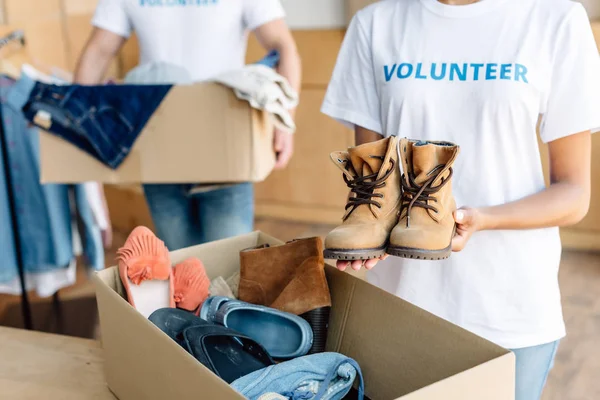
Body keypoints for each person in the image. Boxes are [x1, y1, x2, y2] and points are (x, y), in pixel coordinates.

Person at [321, 0, 600, 399]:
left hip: (510, 306)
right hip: (402, 302)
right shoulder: (375, 25)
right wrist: (373, 232)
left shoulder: (553, 17)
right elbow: (374, 183)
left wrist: (481, 218)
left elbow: (574, 194)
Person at [74, 0, 301, 250]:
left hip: (225, 147)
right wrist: (75, 123)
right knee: (179, 260)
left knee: (228, 261)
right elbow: (99, 51)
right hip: (159, 145)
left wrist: (285, 121)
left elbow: (283, 46)